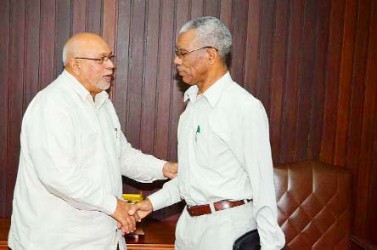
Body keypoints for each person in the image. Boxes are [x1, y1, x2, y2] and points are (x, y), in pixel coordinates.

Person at [8, 32, 177, 250]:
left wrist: (164, 169)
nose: (110, 66)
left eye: (110, 58)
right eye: (100, 59)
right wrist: (114, 206)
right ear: (75, 64)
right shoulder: (52, 104)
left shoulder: (102, 102)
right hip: (57, 241)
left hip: (102, 239)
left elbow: (121, 155)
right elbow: (59, 176)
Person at [129, 16, 285, 250]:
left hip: (227, 231)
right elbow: (190, 179)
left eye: (182, 53)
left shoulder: (244, 108)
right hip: (188, 229)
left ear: (210, 55)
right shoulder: (191, 106)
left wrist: (271, 246)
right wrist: (151, 203)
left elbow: (263, 186)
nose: (175, 60)